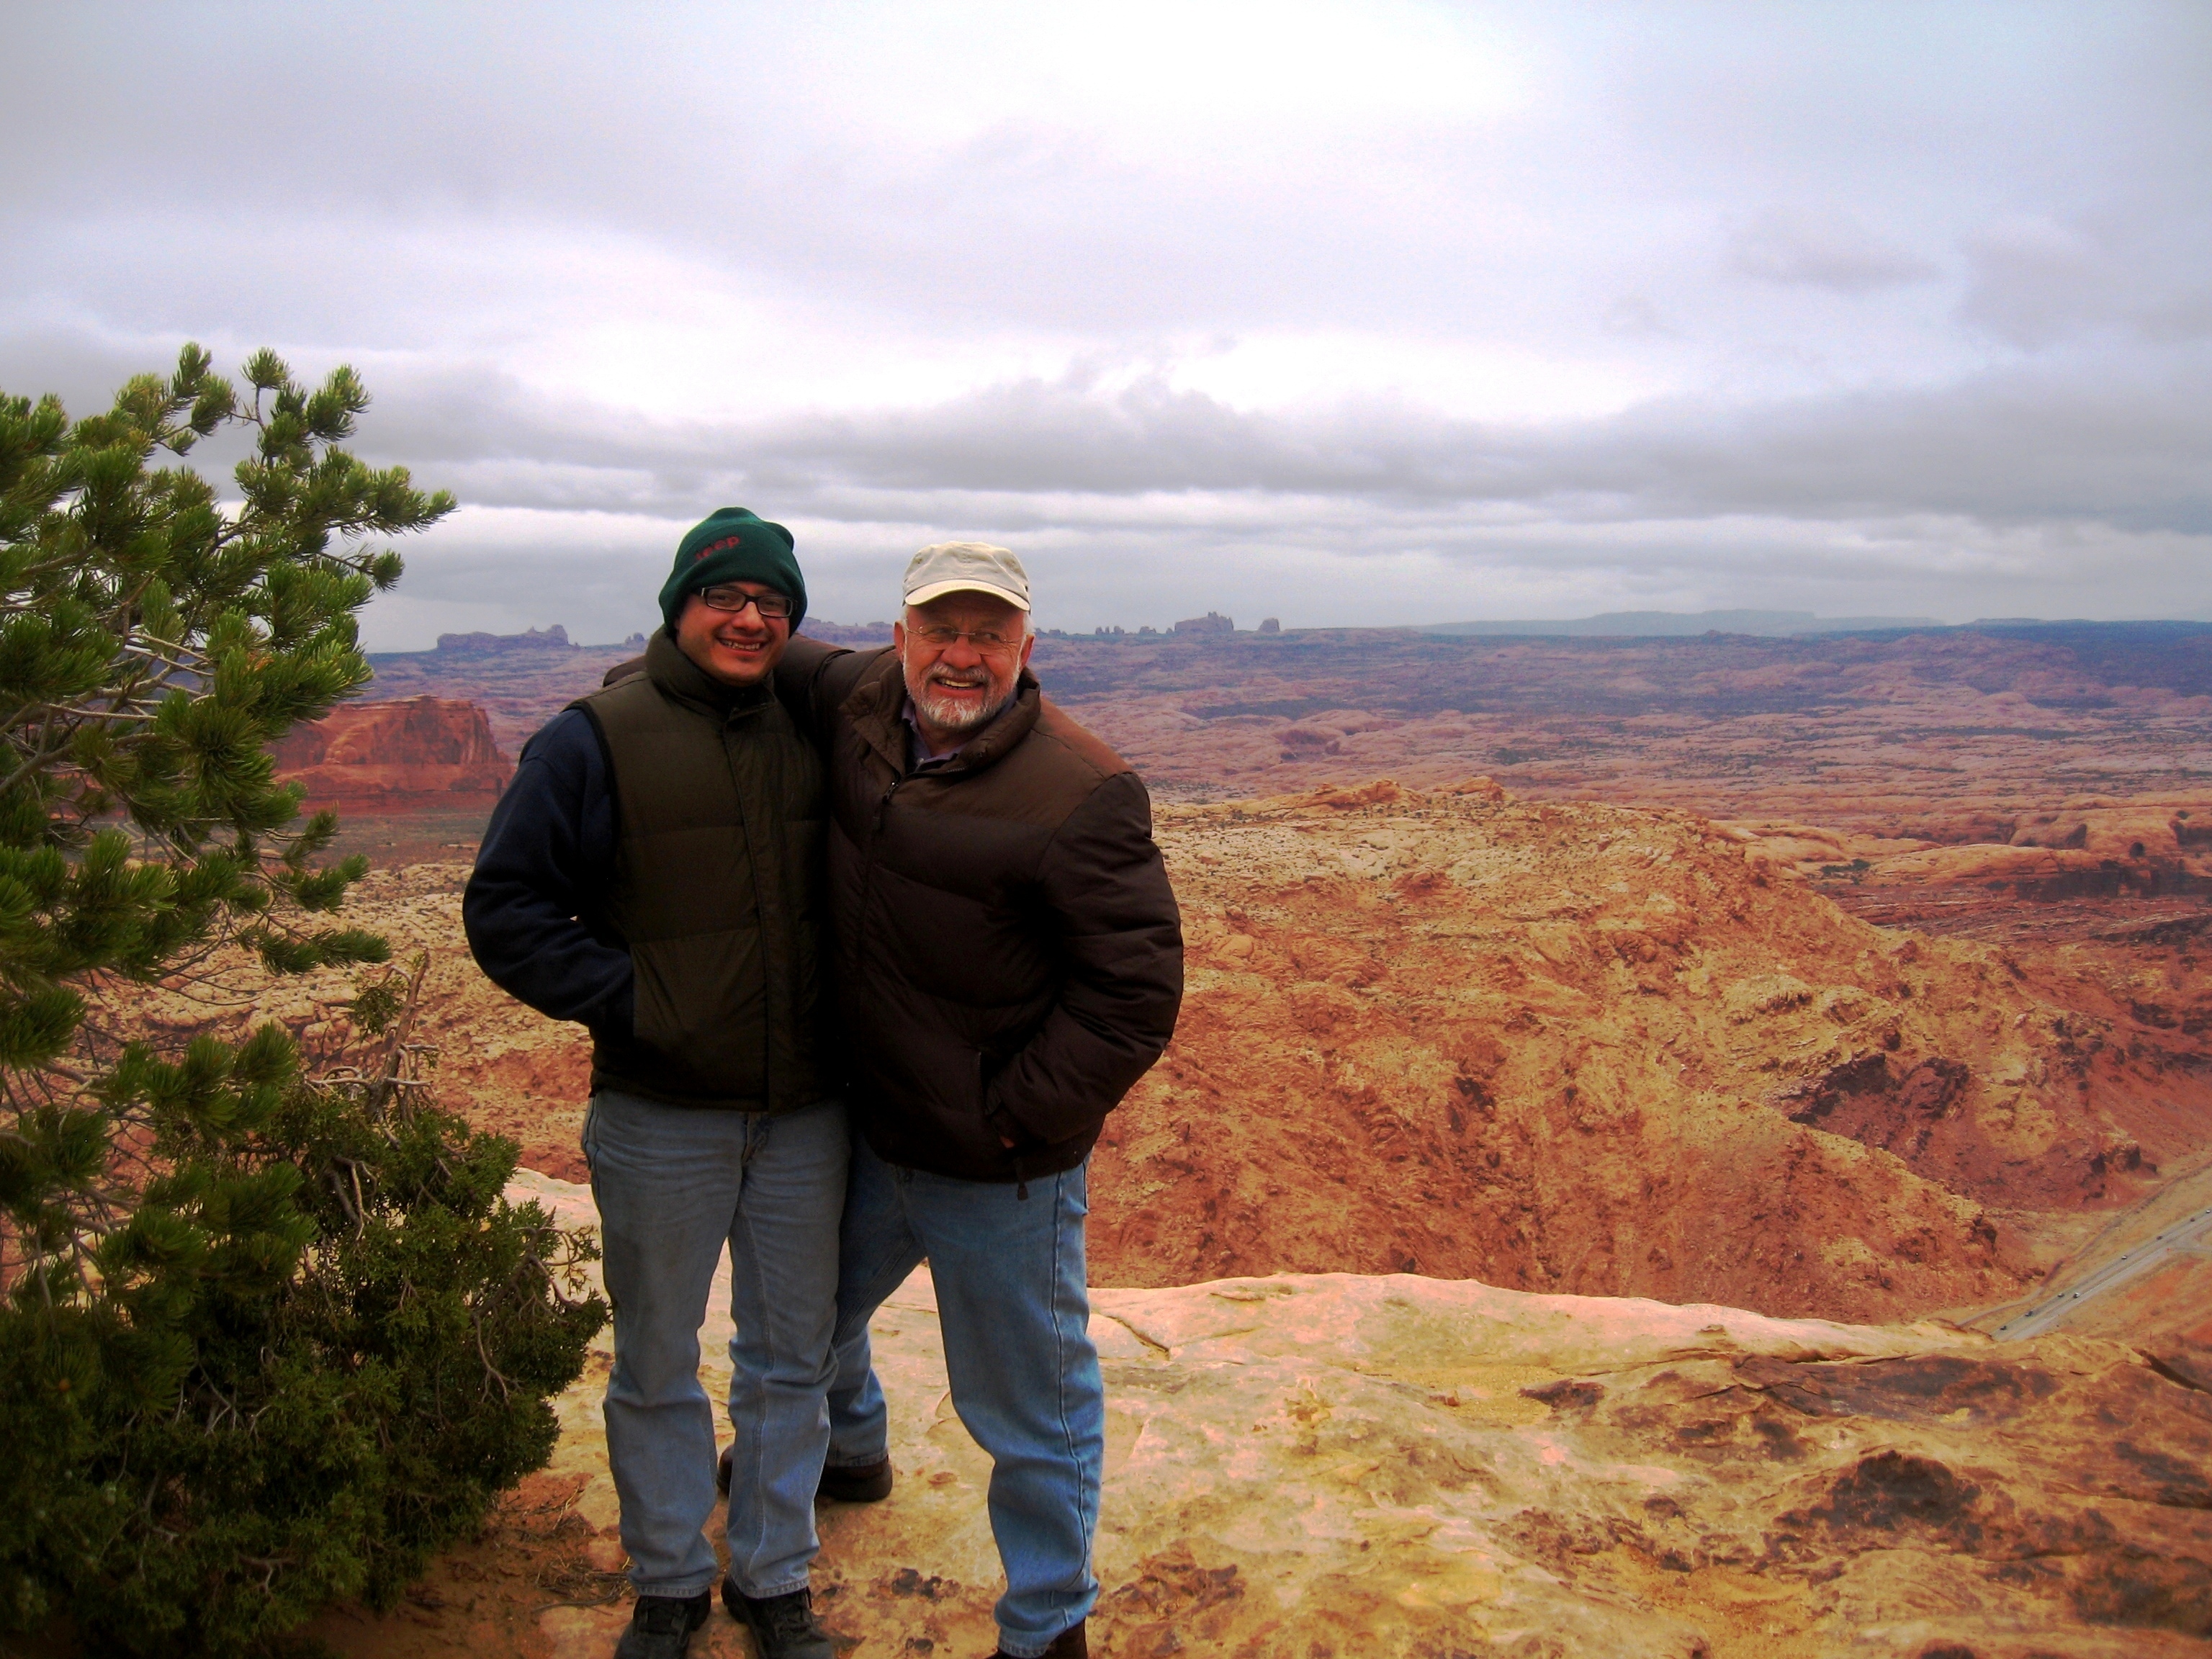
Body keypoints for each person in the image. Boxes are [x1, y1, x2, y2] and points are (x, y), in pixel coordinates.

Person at [774, 541, 1184, 1659]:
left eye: (987, 635)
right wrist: (626, 705)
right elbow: (754, 651)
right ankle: (853, 1451)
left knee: (1029, 1411)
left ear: (1025, 649)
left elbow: (1133, 998)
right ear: (900, 637)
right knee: (807, 1323)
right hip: (867, 1125)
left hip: (998, 1167)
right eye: (940, 631)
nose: (961, 656)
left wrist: (1010, 1115)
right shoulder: (863, 696)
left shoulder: (1082, 791)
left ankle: (1048, 1623)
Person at [463, 508, 843, 1659]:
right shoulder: (594, 739)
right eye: (727, 600)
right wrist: (639, 1002)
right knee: (656, 1356)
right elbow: (507, 909)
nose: (749, 620)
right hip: (658, 1111)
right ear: (682, 606)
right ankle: (669, 1578)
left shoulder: (821, 731)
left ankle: (773, 1578)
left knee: (791, 1359)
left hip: (806, 1115)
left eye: (774, 605)